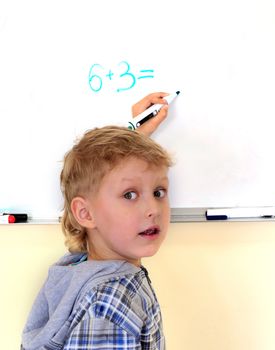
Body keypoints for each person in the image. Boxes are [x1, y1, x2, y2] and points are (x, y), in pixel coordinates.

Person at [21, 93, 173, 350]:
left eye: (158, 192)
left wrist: (135, 133)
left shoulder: (79, 267)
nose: (152, 209)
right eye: (130, 195)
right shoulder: (110, 304)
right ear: (86, 214)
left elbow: (98, 185)